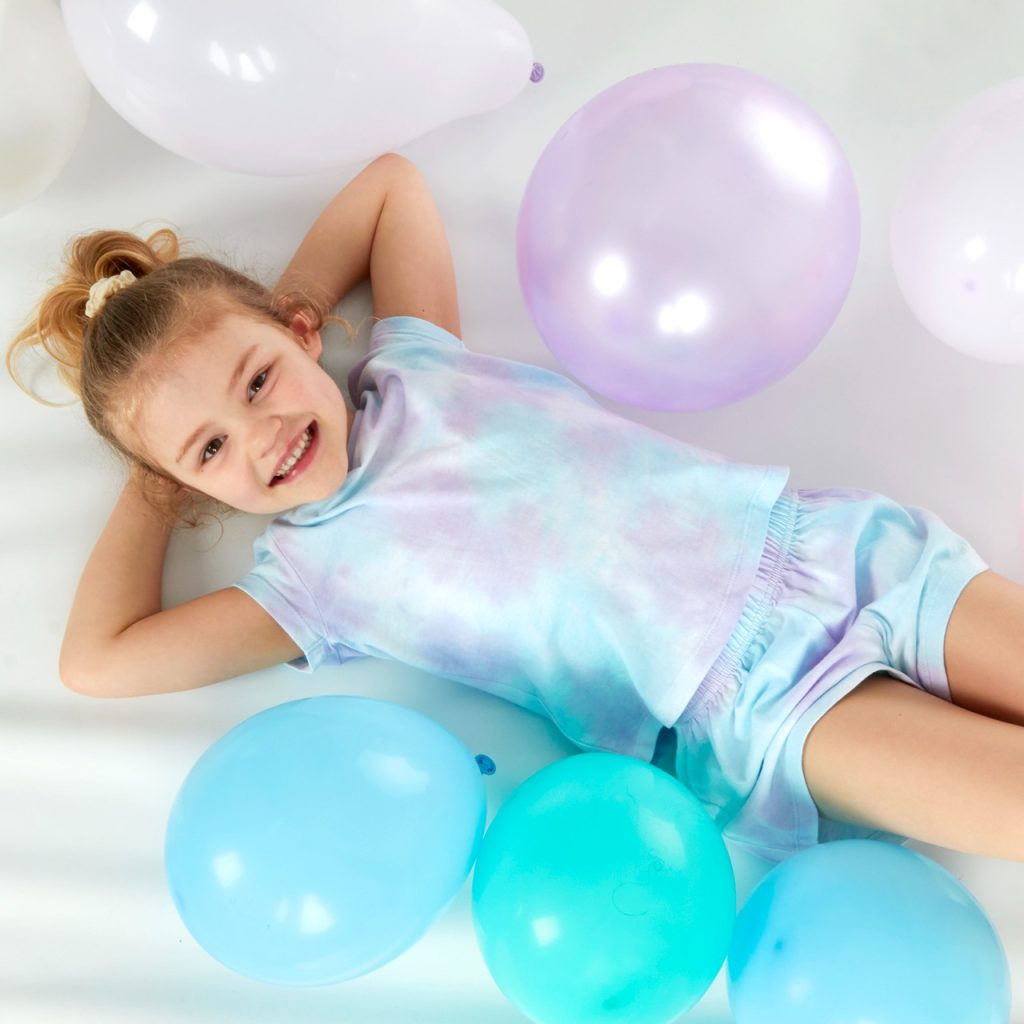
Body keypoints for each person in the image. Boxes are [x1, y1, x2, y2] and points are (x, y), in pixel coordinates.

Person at [7, 152, 1024, 866]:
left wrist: (302, 297)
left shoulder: (415, 365)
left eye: (258, 377)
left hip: (833, 556)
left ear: (299, 334)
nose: (260, 431)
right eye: (213, 447)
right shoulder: (309, 587)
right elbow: (95, 660)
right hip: (760, 713)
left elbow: (390, 187)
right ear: (192, 485)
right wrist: (156, 476)